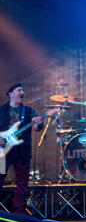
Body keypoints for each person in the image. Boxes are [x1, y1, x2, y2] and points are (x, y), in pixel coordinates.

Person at [0, 83, 44, 214]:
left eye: (23, 91)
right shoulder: (1, 110)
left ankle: (19, 211)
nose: (22, 92)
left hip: (22, 152)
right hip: (3, 152)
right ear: (11, 93)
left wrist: (39, 124)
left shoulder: (28, 111)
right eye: (19, 90)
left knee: (22, 184)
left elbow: (36, 128)